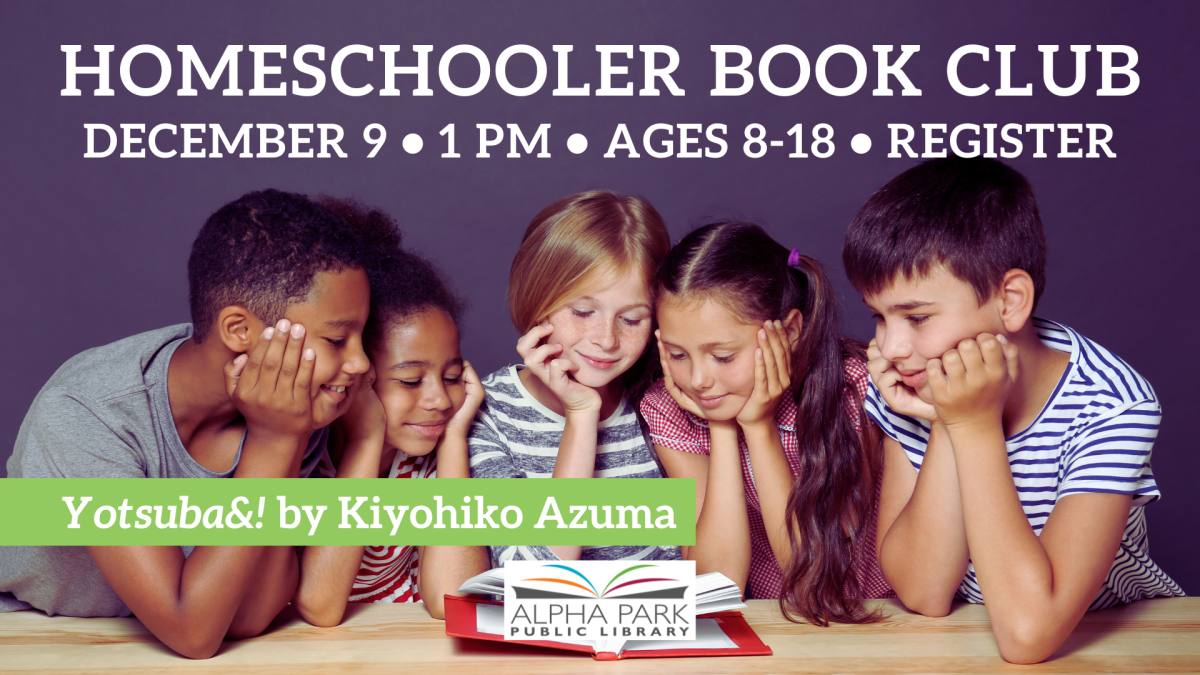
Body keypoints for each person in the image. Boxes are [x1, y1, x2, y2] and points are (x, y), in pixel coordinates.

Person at [0, 189, 375, 659]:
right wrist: (276, 440)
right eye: (337, 339)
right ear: (240, 331)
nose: (361, 363)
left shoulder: (286, 410)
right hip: (33, 637)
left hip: (166, 645)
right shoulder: (86, 412)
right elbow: (194, 632)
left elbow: (247, 617)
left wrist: (284, 440)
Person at [845, 157, 1184, 663]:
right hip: (967, 639)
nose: (891, 347)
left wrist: (974, 426)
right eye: (879, 317)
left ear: (1010, 301)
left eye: (917, 317)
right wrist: (945, 420)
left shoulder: (1113, 404)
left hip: (1111, 642)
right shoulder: (912, 385)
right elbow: (923, 592)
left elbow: (1030, 634)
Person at [642, 221, 893, 626]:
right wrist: (723, 428)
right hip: (769, 624)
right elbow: (713, 582)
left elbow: (814, 579)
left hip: (875, 619)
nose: (699, 379)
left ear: (789, 331)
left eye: (723, 357)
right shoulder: (670, 409)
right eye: (677, 354)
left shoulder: (853, 390)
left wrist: (759, 429)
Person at [290, 199, 488, 624]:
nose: (438, 399)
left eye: (452, 376)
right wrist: (367, 438)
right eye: (411, 381)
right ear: (357, 375)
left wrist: (453, 442)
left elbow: (454, 599)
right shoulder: (303, 457)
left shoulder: (426, 459)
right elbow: (320, 606)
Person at [467, 190, 680, 565]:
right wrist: (582, 414)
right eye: (583, 311)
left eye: (632, 319)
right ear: (537, 299)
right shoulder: (486, 411)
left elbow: (706, 565)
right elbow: (537, 575)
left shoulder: (665, 399)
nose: (607, 339)